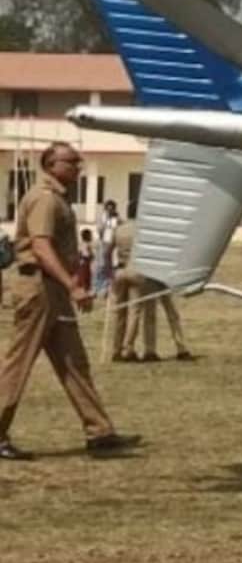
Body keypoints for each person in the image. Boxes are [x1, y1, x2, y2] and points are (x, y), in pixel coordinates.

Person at [0, 143, 141, 460]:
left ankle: (100, 432)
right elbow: (41, 248)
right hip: (39, 288)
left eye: (78, 161)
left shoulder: (59, 198)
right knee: (18, 363)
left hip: (54, 290)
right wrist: (72, 286)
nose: (78, 167)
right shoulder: (45, 198)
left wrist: (68, 287)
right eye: (71, 162)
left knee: (74, 362)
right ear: (51, 164)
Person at [115, 219, 194, 363]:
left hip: (136, 270)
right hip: (155, 272)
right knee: (164, 312)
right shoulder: (150, 230)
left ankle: (129, 348)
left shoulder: (121, 229)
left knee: (135, 312)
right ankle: (166, 348)